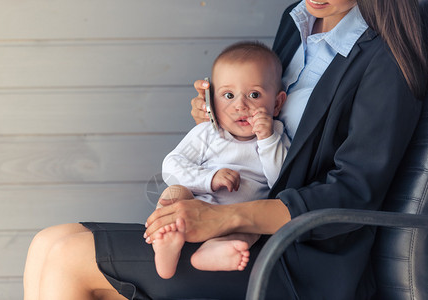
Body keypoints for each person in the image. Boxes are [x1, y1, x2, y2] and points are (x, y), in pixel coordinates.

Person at [23, 0, 428, 299]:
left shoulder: (386, 56)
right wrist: (224, 110)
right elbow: (268, 105)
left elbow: (352, 192)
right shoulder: (297, 20)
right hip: (239, 226)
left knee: (67, 257)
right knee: (49, 242)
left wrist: (222, 219)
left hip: (302, 257)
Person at [152, 41, 289, 279]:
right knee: (173, 192)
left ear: (277, 103)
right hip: (192, 203)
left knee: (252, 232)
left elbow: (282, 180)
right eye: (228, 95)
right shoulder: (208, 133)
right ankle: (166, 238)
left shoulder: (275, 137)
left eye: (254, 94)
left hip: (239, 215)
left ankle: (212, 251)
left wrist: (267, 139)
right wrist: (209, 178)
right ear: (211, 101)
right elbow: (171, 165)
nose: (240, 105)